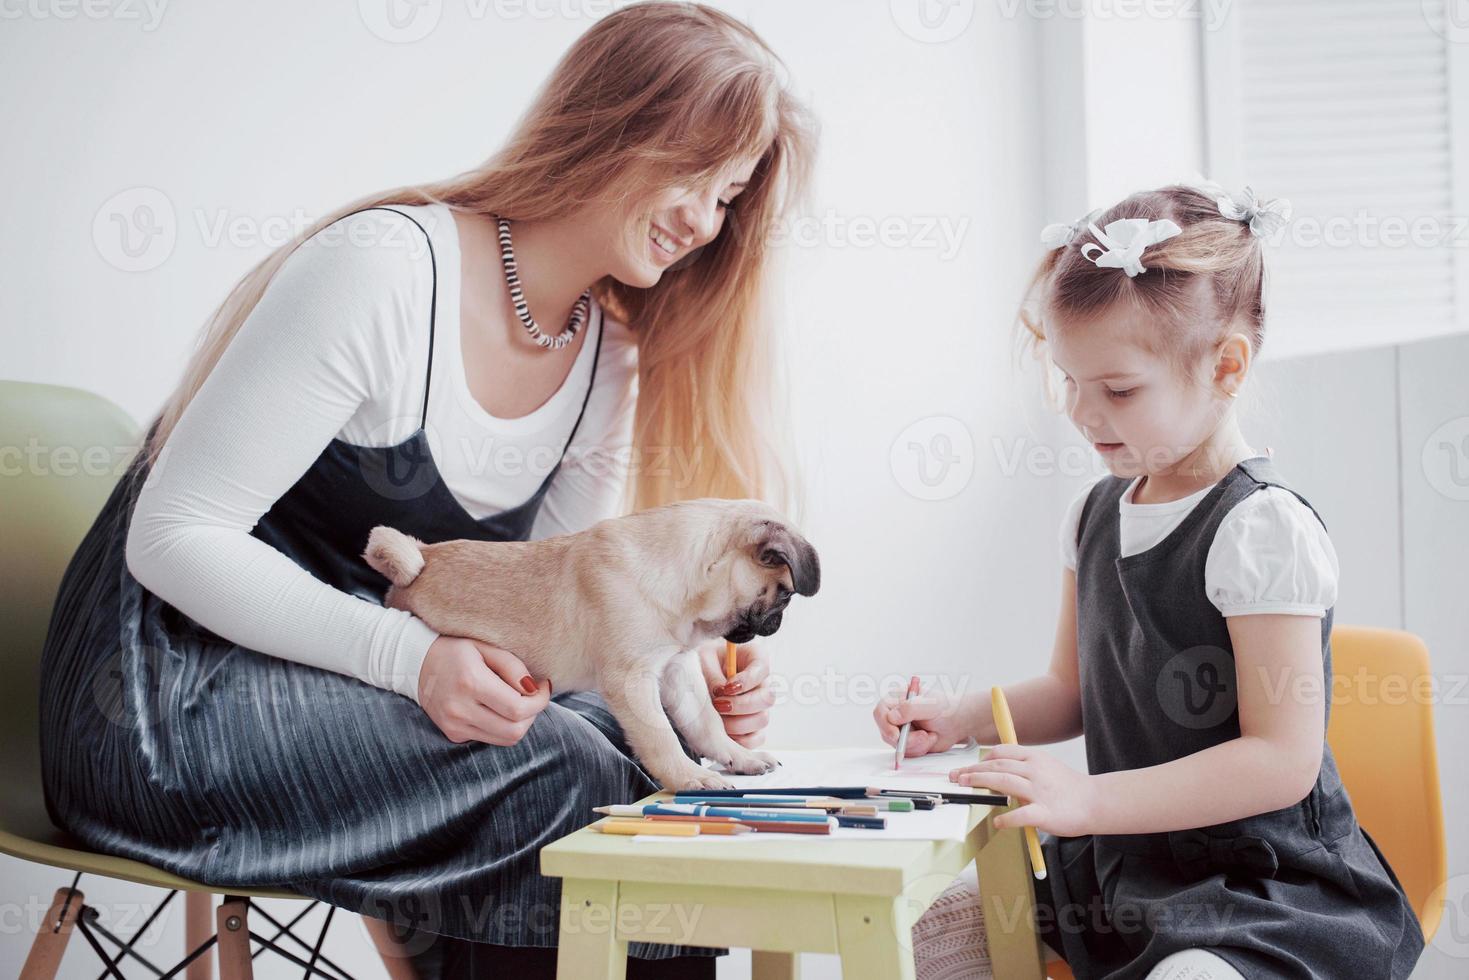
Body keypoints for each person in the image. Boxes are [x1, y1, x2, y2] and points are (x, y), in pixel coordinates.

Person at [39, 4, 815, 977]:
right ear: (612, 119)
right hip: (166, 704)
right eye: (693, 172)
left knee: (631, 756)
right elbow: (174, 535)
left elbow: (570, 632)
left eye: (728, 194)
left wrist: (680, 657)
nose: (703, 220)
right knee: (568, 775)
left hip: (349, 684)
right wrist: (410, 658)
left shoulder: (605, 359)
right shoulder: (385, 272)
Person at [880, 184, 1425, 979]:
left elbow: (1281, 758)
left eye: (1118, 390)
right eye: (1069, 381)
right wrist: (961, 717)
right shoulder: (1093, 514)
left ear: (1226, 366)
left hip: (1259, 884)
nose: (1081, 412)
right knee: (939, 921)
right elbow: (1070, 691)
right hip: (1124, 870)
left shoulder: (1260, 528)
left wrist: (1090, 800)